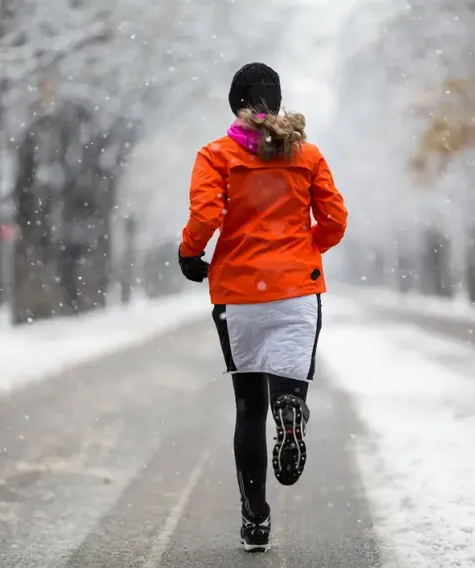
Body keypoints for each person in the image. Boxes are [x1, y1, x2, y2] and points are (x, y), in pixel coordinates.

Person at [177, 62, 347, 553]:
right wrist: (303, 248)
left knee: (247, 408)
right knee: (286, 389)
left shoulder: (215, 155)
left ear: (236, 104)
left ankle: (255, 518)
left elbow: (206, 213)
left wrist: (191, 253)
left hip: (240, 296)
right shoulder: (307, 154)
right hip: (297, 294)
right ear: (277, 101)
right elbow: (334, 219)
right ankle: (291, 408)